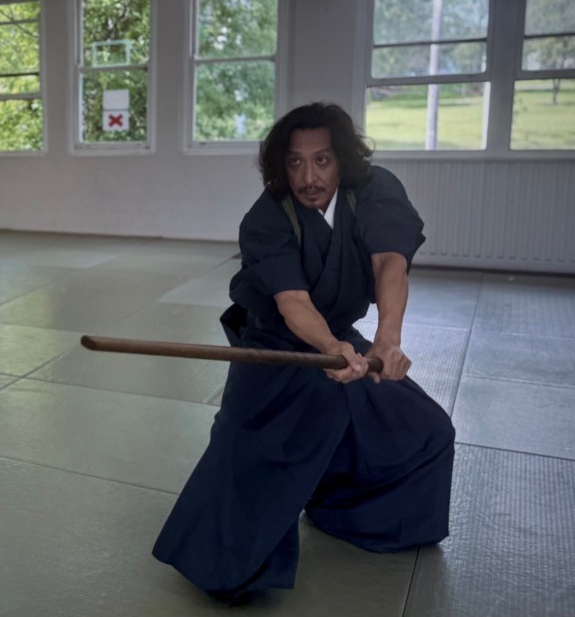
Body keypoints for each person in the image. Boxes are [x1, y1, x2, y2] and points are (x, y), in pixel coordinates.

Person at [153, 102, 454, 603]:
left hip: (338, 337)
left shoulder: (374, 191)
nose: (308, 176)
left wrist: (387, 340)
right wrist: (332, 347)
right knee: (255, 449)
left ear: (343, 160)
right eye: (295, 162)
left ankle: (345, 510)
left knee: (425, 430)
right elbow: (292, 302)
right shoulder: (266, 218)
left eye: (322, 160)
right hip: (274, 343)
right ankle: (222, 563)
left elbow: (390, 262)